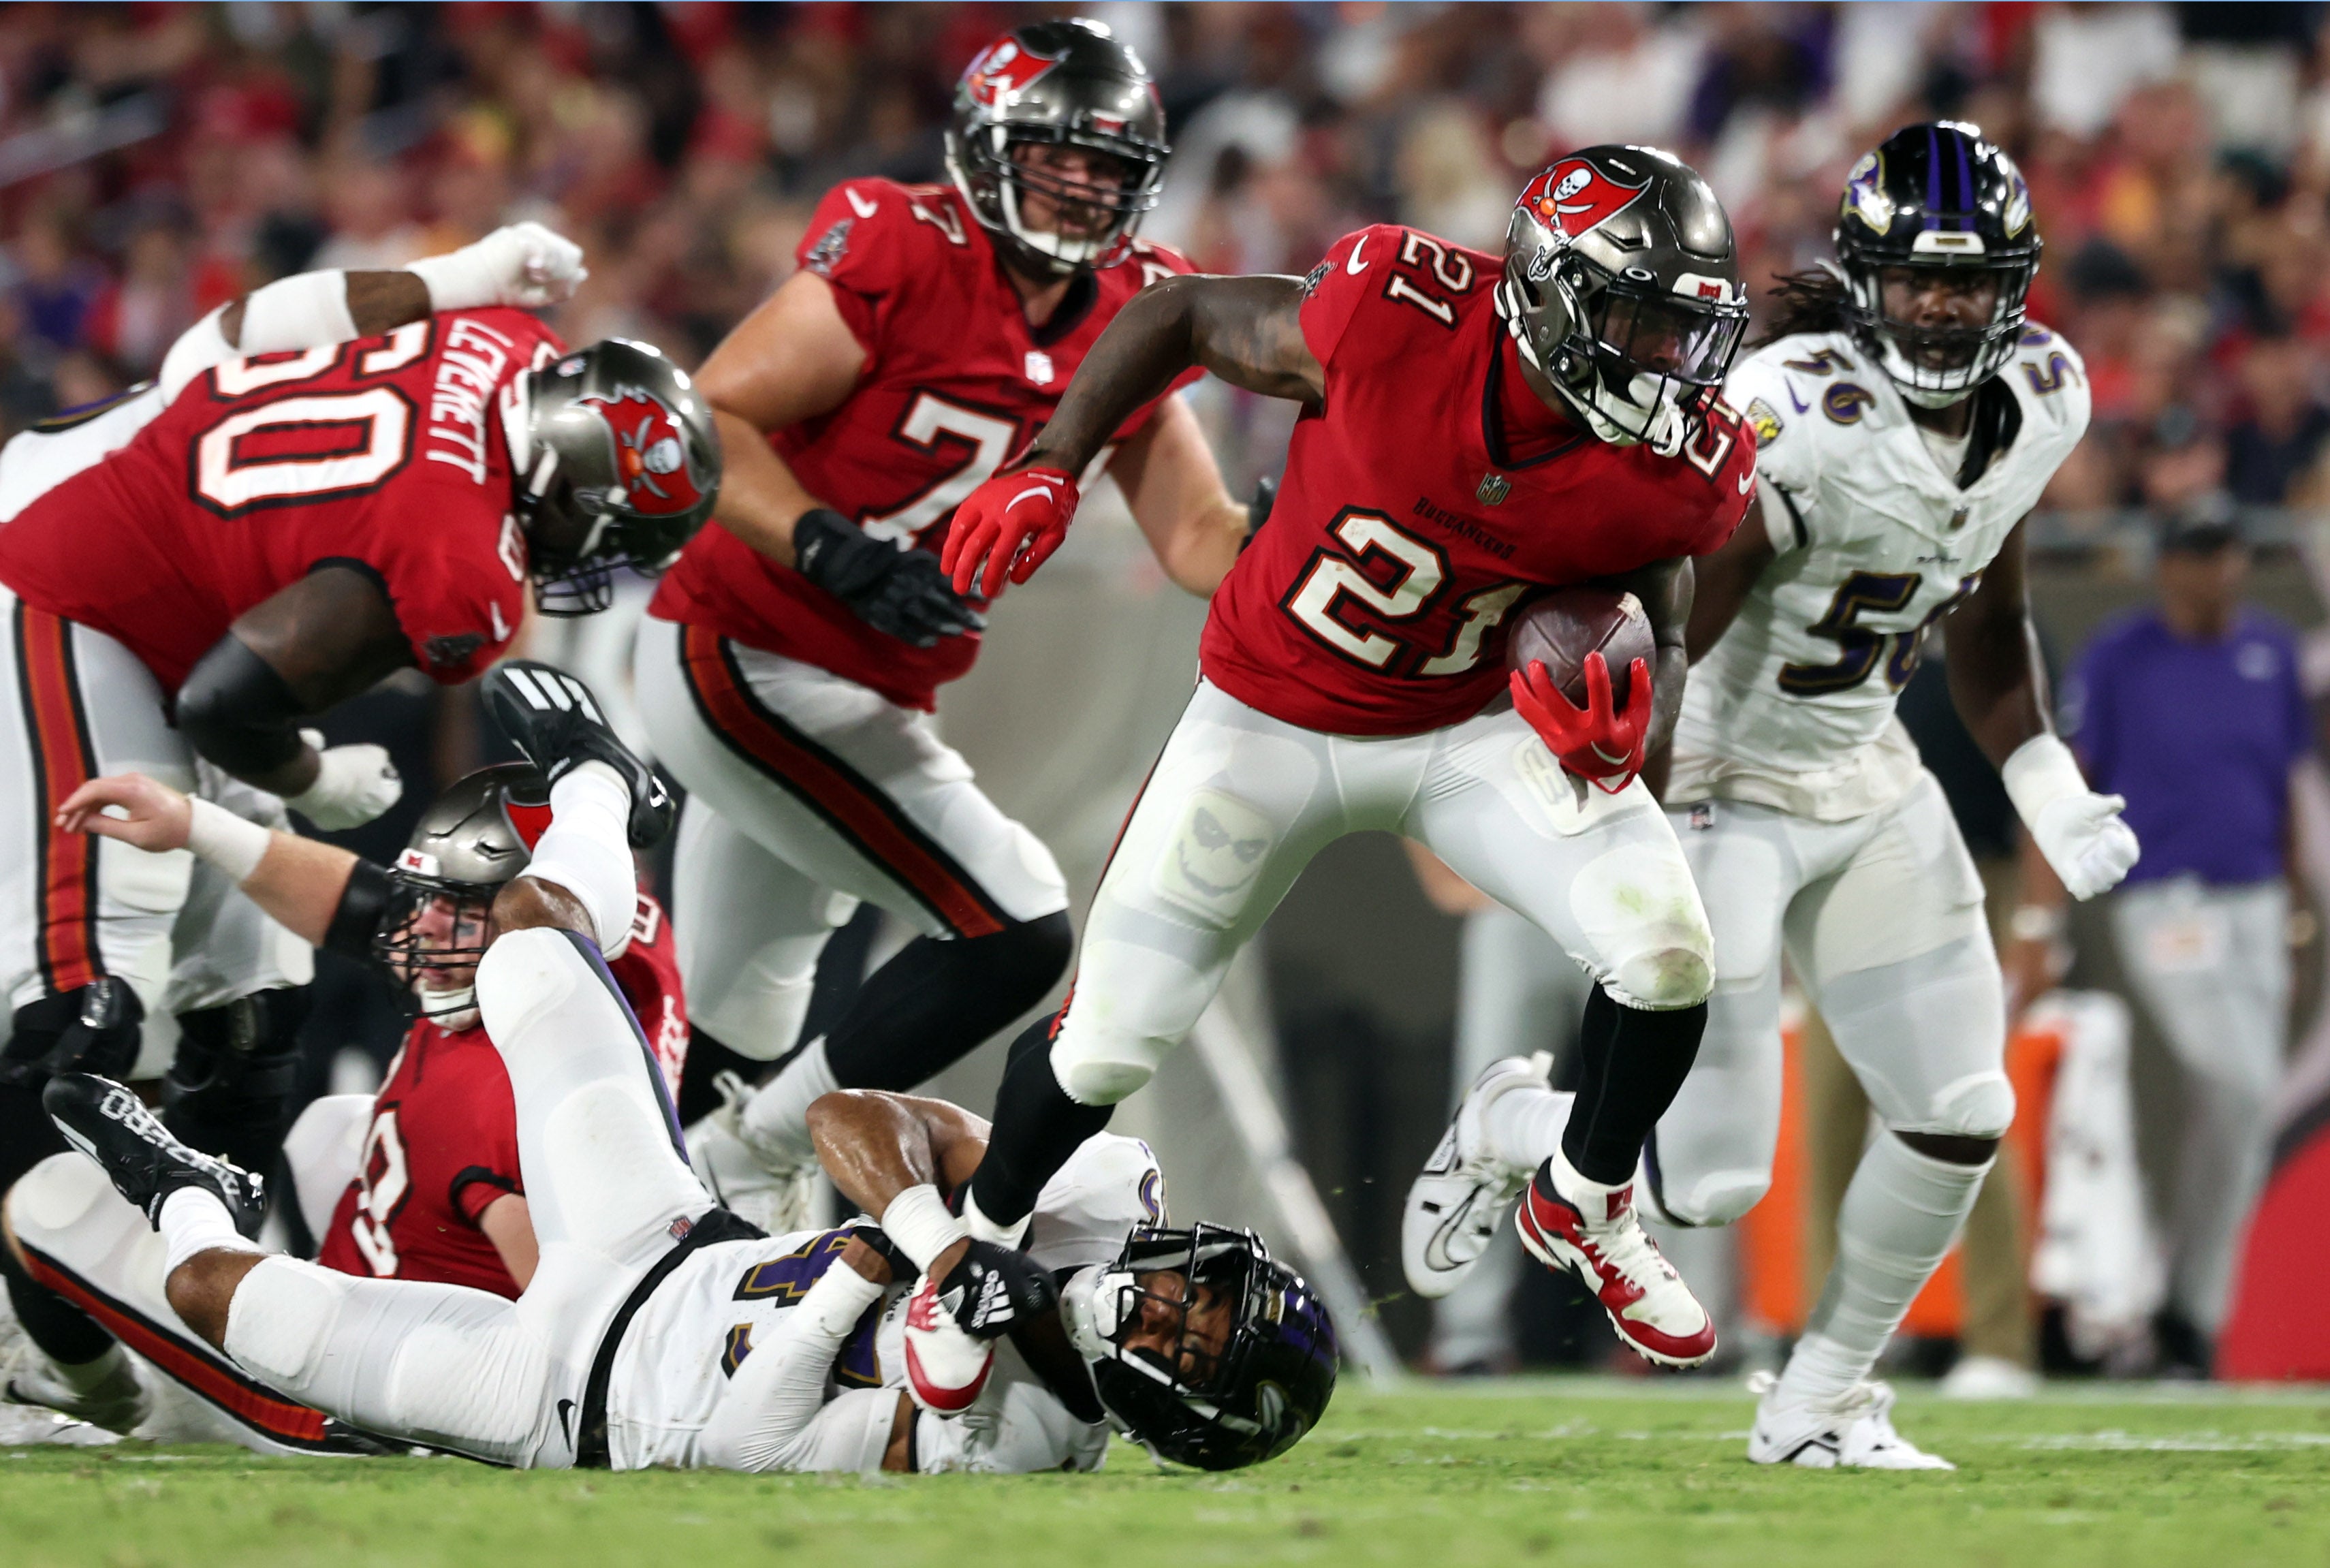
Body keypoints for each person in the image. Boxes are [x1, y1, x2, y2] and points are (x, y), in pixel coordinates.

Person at [17, 664, 1334, 1472]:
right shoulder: (1095, 1205)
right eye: (1189, 1298)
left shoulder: (1022, 1441)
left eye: (1178, 1344)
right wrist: (938, 1242)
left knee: (206, 1278)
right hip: (657, 1244)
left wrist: (870, 1287)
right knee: (502, 974)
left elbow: (749, 1444)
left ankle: (185, 1194)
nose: (1157, 1309)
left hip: (565, 1393)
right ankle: (603, 778)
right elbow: (856, 1116)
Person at [943, 146, 1759, 1367]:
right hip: (1267, 714)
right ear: (1547, 293)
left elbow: (1662, 590)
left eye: (1681, 329)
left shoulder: (1679, 462)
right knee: (1107, 1041)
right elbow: (1176, 312)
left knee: (1668, 956)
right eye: (1637, 321)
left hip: (1469, 728)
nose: (1663, 363)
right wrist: (1051, 462)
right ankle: (968, 1256)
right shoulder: (1396, 311)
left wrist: (1644, 706)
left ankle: (1583, 1196)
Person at [1404, 123, 2138, 1463]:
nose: (1940, 303)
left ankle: (1821, 1396)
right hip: (1722, 786)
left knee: (1962, 1106)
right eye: (1916, 276)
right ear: (1864, 279)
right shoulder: (1788, 413)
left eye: (1967, 279)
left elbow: (1989, 623)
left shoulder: (2042, 393)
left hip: (1866, 773)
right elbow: (1673, 635)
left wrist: (2045, 777)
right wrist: (1635, 844)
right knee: (1708, 1181)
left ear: (2012, 287)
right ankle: (1519, 1119)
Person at [634, 20, 1257, 1195]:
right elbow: (707, 416)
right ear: (981, 151)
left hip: (860, 686)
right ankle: (754, 1148)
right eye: (1054, 164)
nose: (1080, 195)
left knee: (735, 1017)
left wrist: (1304, 538)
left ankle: (668, 1227)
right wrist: (830, 545)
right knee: (1016, 924)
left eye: (1105, 173)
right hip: (748, 645)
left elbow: (1195, 537)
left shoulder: (1135, 308)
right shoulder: (908, 247)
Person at [0, 234, 717, 1205]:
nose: (599, 561)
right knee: (84, 1002)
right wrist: (311, 777)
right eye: (611, 533)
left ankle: (195, 1289)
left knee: (254, 1012)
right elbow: (225, 706)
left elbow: (228, 332)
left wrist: (464, 273)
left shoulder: (500, 335)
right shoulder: (465, 571)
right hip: (66, 586)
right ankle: (30, 1302)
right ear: (563, 491)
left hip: (97, 468)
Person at [0, 665, 680, 1446]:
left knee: (54, 1192)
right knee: (335, 1126)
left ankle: (102, 1399)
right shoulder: (619, 957)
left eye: (456, 911)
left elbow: (577, 1327)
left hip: (359, 1395)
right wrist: (195, 824)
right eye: (427, 899)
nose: (419, 929)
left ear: (523, 912)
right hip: (396, 1318)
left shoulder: (490, 1092)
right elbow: (371, 904)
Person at [2063, 516, 2313, 1374]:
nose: (2215, 569)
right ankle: (2177, 1302)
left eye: (2225, 550)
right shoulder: (2121, 652)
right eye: (2197, 553)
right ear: (2166, 565)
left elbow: (2285, 784)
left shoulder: (2271, 653)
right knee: (2238, 1087)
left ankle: (2185, 1320)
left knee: (2232, 1114)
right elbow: (2074, 774)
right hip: (2163, 898)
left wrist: (2299, 897)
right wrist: (2042, 904)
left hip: (2258, 899)